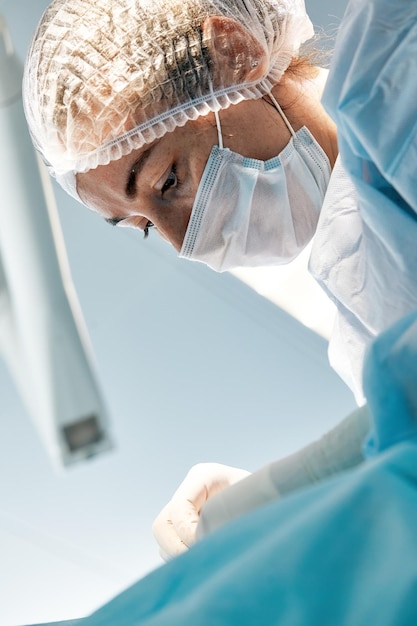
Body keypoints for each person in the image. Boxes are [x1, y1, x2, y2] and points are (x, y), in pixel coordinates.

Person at [23, 0, 417, 567]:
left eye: (168, 180)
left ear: (236, 53)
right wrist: (306, 500)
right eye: (141, 227)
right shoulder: (358, 292)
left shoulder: (390, 81)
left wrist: (310, 484)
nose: (179, 240)